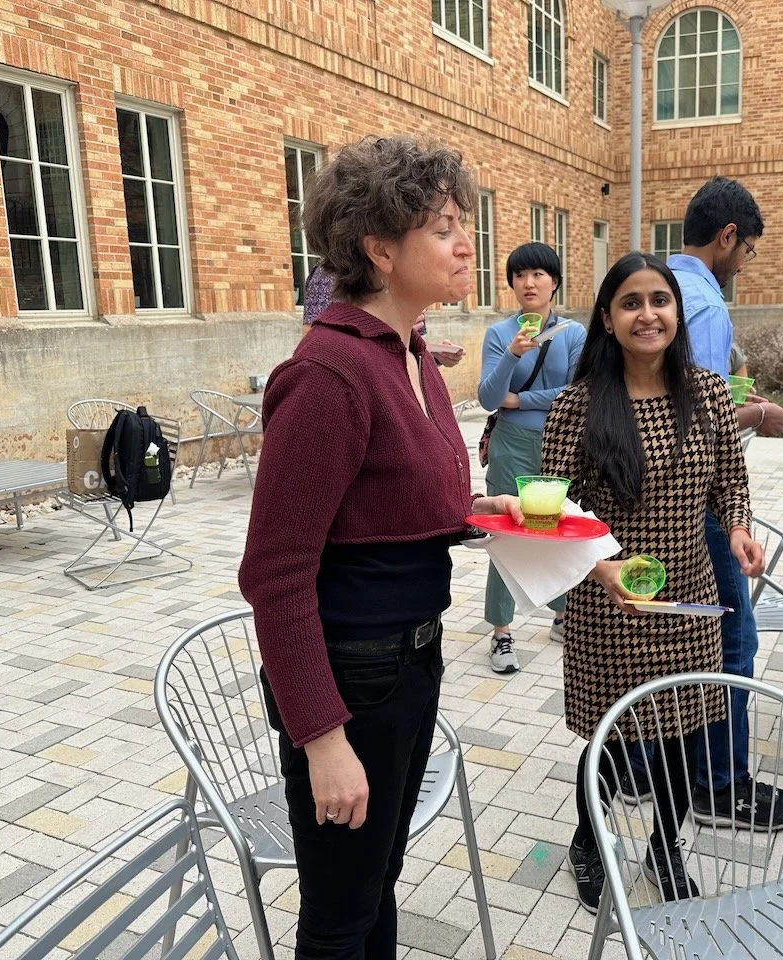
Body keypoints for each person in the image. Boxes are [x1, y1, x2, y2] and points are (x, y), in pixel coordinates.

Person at [238, 136, 521, 960]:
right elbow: (276, 573)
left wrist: (479, 509)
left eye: (462, 225)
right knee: (338, 918)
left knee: (376, 885)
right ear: (381, 250)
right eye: (442, 228)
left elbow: (388, 504)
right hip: (352, 677)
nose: (466, 244)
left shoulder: (411, 355)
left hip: (412, 664)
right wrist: (322, 738)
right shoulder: (329, 375)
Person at [540, 251, 765, 912]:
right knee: (612, 738)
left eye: (659, 300)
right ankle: (589, 841)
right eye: (631, 302)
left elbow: (731, 483)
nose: (648, 315)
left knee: (683, 735)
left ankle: (665, 847)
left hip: (688, 596)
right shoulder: (578, 405)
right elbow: (551, 510)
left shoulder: (709, 393)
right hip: (608, 601)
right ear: (607, 318)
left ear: (677, 311)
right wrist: (598, 566)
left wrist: (740, 528)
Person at [625, 176, 783, 834]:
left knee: (658, 631)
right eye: (747, 250)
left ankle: (637, 767)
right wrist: (755, 413)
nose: (744, 265)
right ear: (728, 237)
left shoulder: (645, 288)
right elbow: (690, 417)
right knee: (729, 639)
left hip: (642, 501)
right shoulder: (700, 302)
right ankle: (718, 785)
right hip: (690, 503)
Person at [477, 242, 586, 672]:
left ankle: (562, 616)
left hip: (560, 444)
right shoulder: (499, 334)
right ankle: (501, 632)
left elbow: (577, 392)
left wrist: (520, 400)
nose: (529, 282)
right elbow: (489, 398)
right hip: (511, 445)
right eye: (520, 275)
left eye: (539, 274)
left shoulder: (573, 334)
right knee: (505, 535)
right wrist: (512, 355)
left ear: (554, 281)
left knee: (559, 527)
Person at [301, 263, 465, 367]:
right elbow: (312, 348)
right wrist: (385, 331)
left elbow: (408, 352)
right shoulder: (329, 272)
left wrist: (436, 356)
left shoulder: (403, 274)